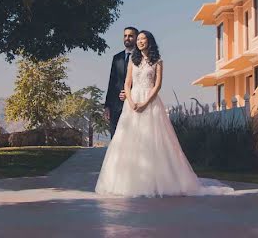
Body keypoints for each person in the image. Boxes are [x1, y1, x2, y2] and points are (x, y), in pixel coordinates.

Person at [95, 30, 231, 197]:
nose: (140, 42)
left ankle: (154, 182)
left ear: (149, 41)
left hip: (150, 102)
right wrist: (130, 101)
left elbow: (157, 86)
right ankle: (127, 182)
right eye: (138, 40)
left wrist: (145, 103)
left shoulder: (157, 61)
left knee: (153, 142)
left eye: (143, 39)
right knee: (128, 141)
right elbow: (127, 82)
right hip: (132, 102)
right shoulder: (132, 60)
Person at [104, 26, 137, 137]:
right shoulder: (116, 58)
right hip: (115, 106)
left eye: (130, 36)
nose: (127, 38)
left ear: (136, 38)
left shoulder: (141, 58)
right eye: (125, 36)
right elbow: (112, 82)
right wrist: (107, 106)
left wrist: (129, 94)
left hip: (133, 103)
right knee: (115, 139)